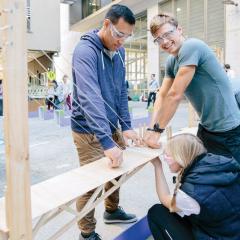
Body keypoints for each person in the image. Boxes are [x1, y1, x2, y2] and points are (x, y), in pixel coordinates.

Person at [71, 5, 141, 240]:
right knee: (91, 184)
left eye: (127, 36)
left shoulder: (119, 52)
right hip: (87, 130)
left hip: (110, 125)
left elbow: (121, 90)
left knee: (117, 172)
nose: (122, 41)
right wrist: (105, 141)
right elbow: (89, 98)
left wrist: (127, 125)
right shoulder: (85, 51)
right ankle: (87, 232)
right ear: (106, 25)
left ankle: (111, 211)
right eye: (119, 34)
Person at [144, 13, 240, 164]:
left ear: (179, 29)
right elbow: (162, 96)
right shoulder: (171, 61)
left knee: (232, 180)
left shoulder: (191, 46)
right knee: (204, 176)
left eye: (168, 34)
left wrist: (157, 132)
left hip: (228, 130)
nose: (164, 41)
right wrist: (151, 129)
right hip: (206, 127)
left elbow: (174, 95)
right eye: (158, 39)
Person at [148, 133, 240, 240]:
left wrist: (157, 166)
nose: (164, 158)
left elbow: (165, 199)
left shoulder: (192, 192)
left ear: (181, 157)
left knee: (157, 212)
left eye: (168, 155)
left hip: (220, 236)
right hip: (231, 229)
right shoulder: (219, 163)